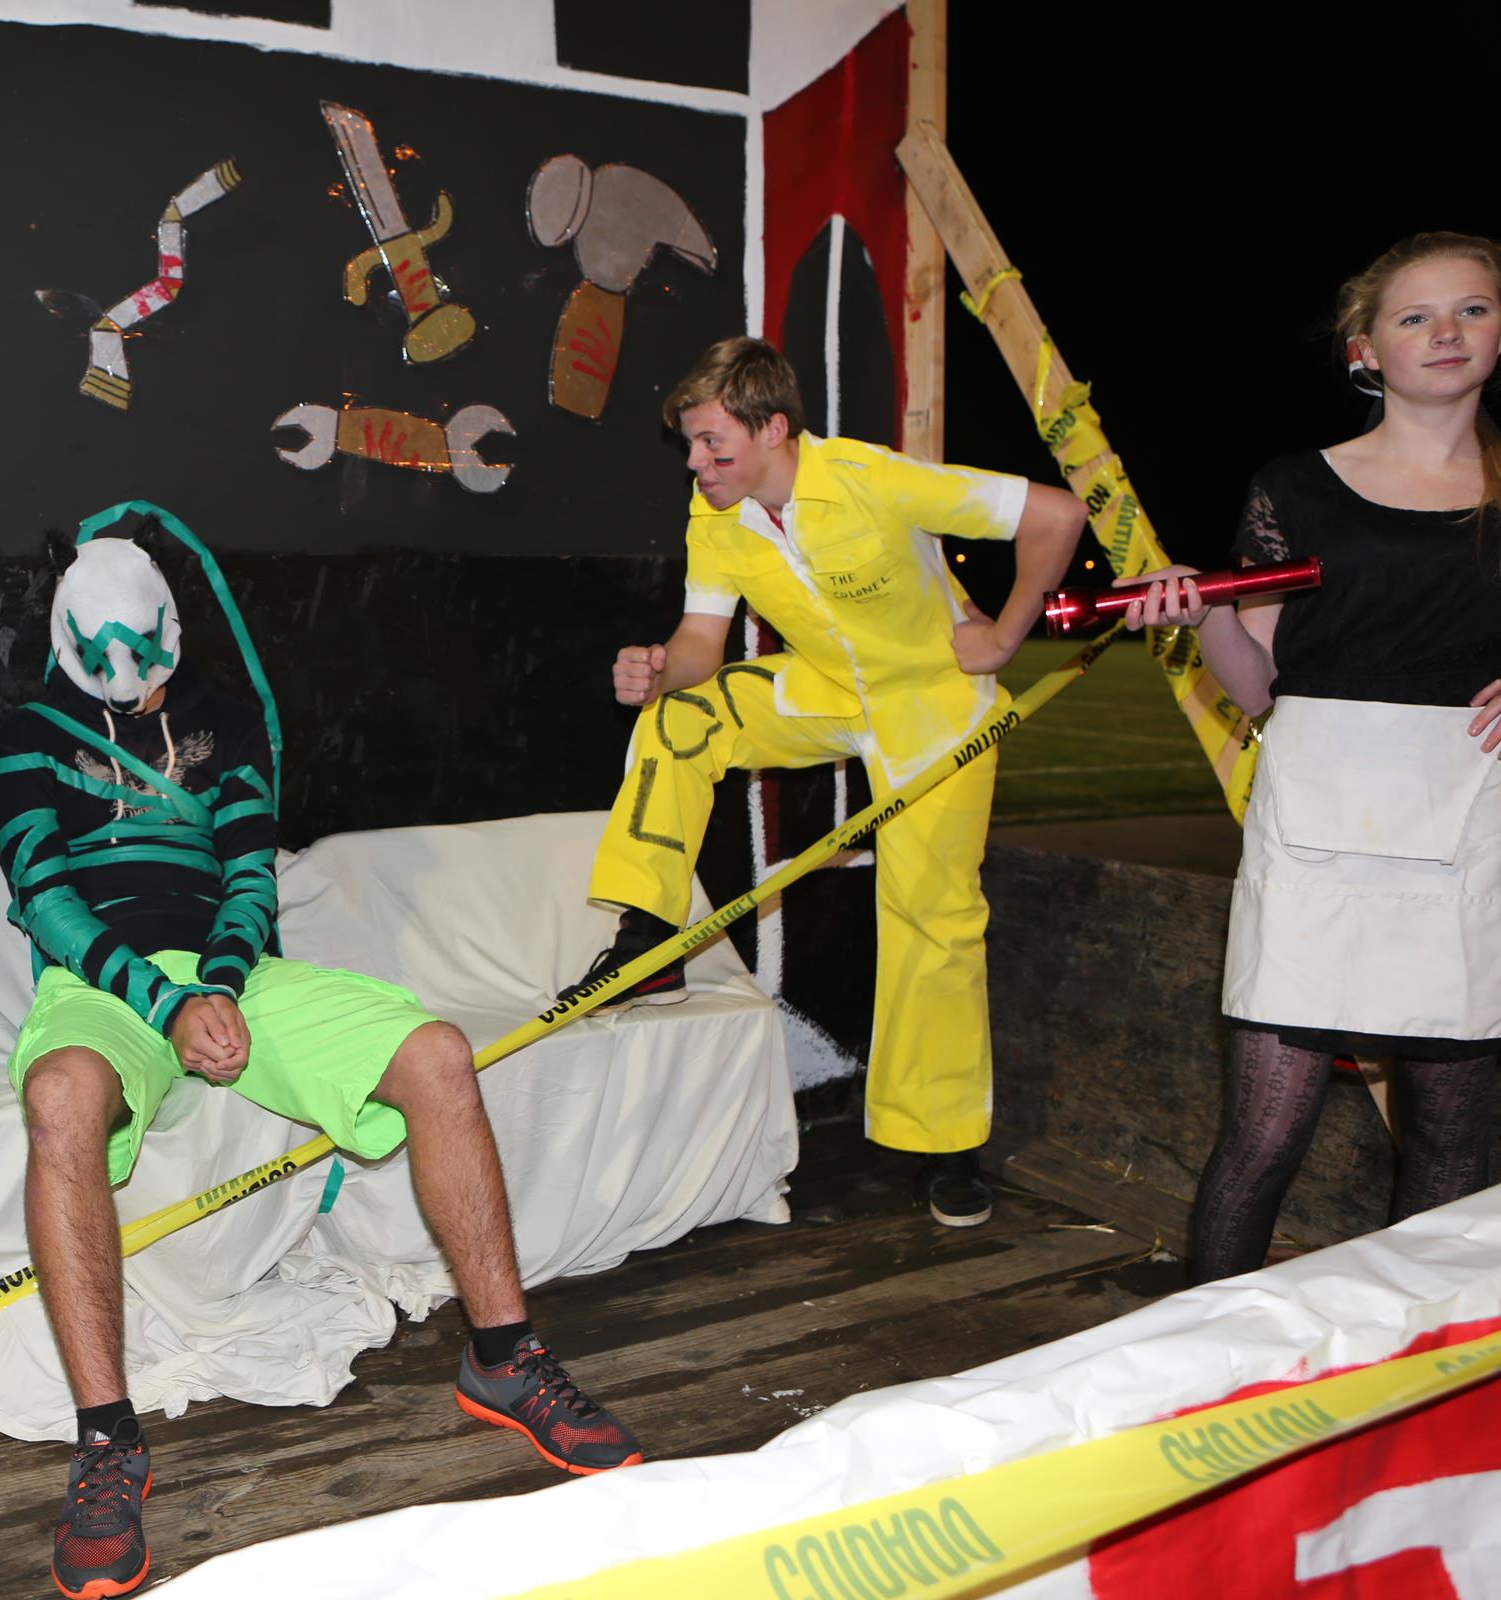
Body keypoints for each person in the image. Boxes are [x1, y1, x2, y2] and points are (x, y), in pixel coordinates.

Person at [0, 533, 642, 1600]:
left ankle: (504, 1356)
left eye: (145, 667)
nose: (133, 691)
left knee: (436, 1055)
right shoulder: (22, 738)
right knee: (59, 1097)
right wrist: (166, 1003)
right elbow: (47, 902)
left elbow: (250, 874)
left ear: (170, 637)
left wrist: (220, 985)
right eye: (109, 673)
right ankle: (107, 1438)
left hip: (232, 976)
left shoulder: (226, 720)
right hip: (106, 986)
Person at [558, 336, 1084, 1228]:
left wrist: (1002, 638)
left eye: (713, 443)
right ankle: (649, 945)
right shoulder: (715, 511)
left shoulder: (870, 477)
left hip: (932, 705)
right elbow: (701, 644)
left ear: (774, 428)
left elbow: (1057, 516)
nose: (695, 463)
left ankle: (945, 1146)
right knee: (681, 719)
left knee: (932, 919)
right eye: (690, 445)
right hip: (831, 691)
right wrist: (658, 669)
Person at [1121, 232, 1501, 1284]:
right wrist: (1202, 613)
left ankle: (1411, 1358)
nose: (1447, 332)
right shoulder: (1294, 486)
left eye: (1472, 309)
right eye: (1415, 316)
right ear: (1364, 350)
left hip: (1470, 819)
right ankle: (1212, 1355)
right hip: (1315, 825)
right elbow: (1256, 686)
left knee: (1450, 1144)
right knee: (1261, 1140)